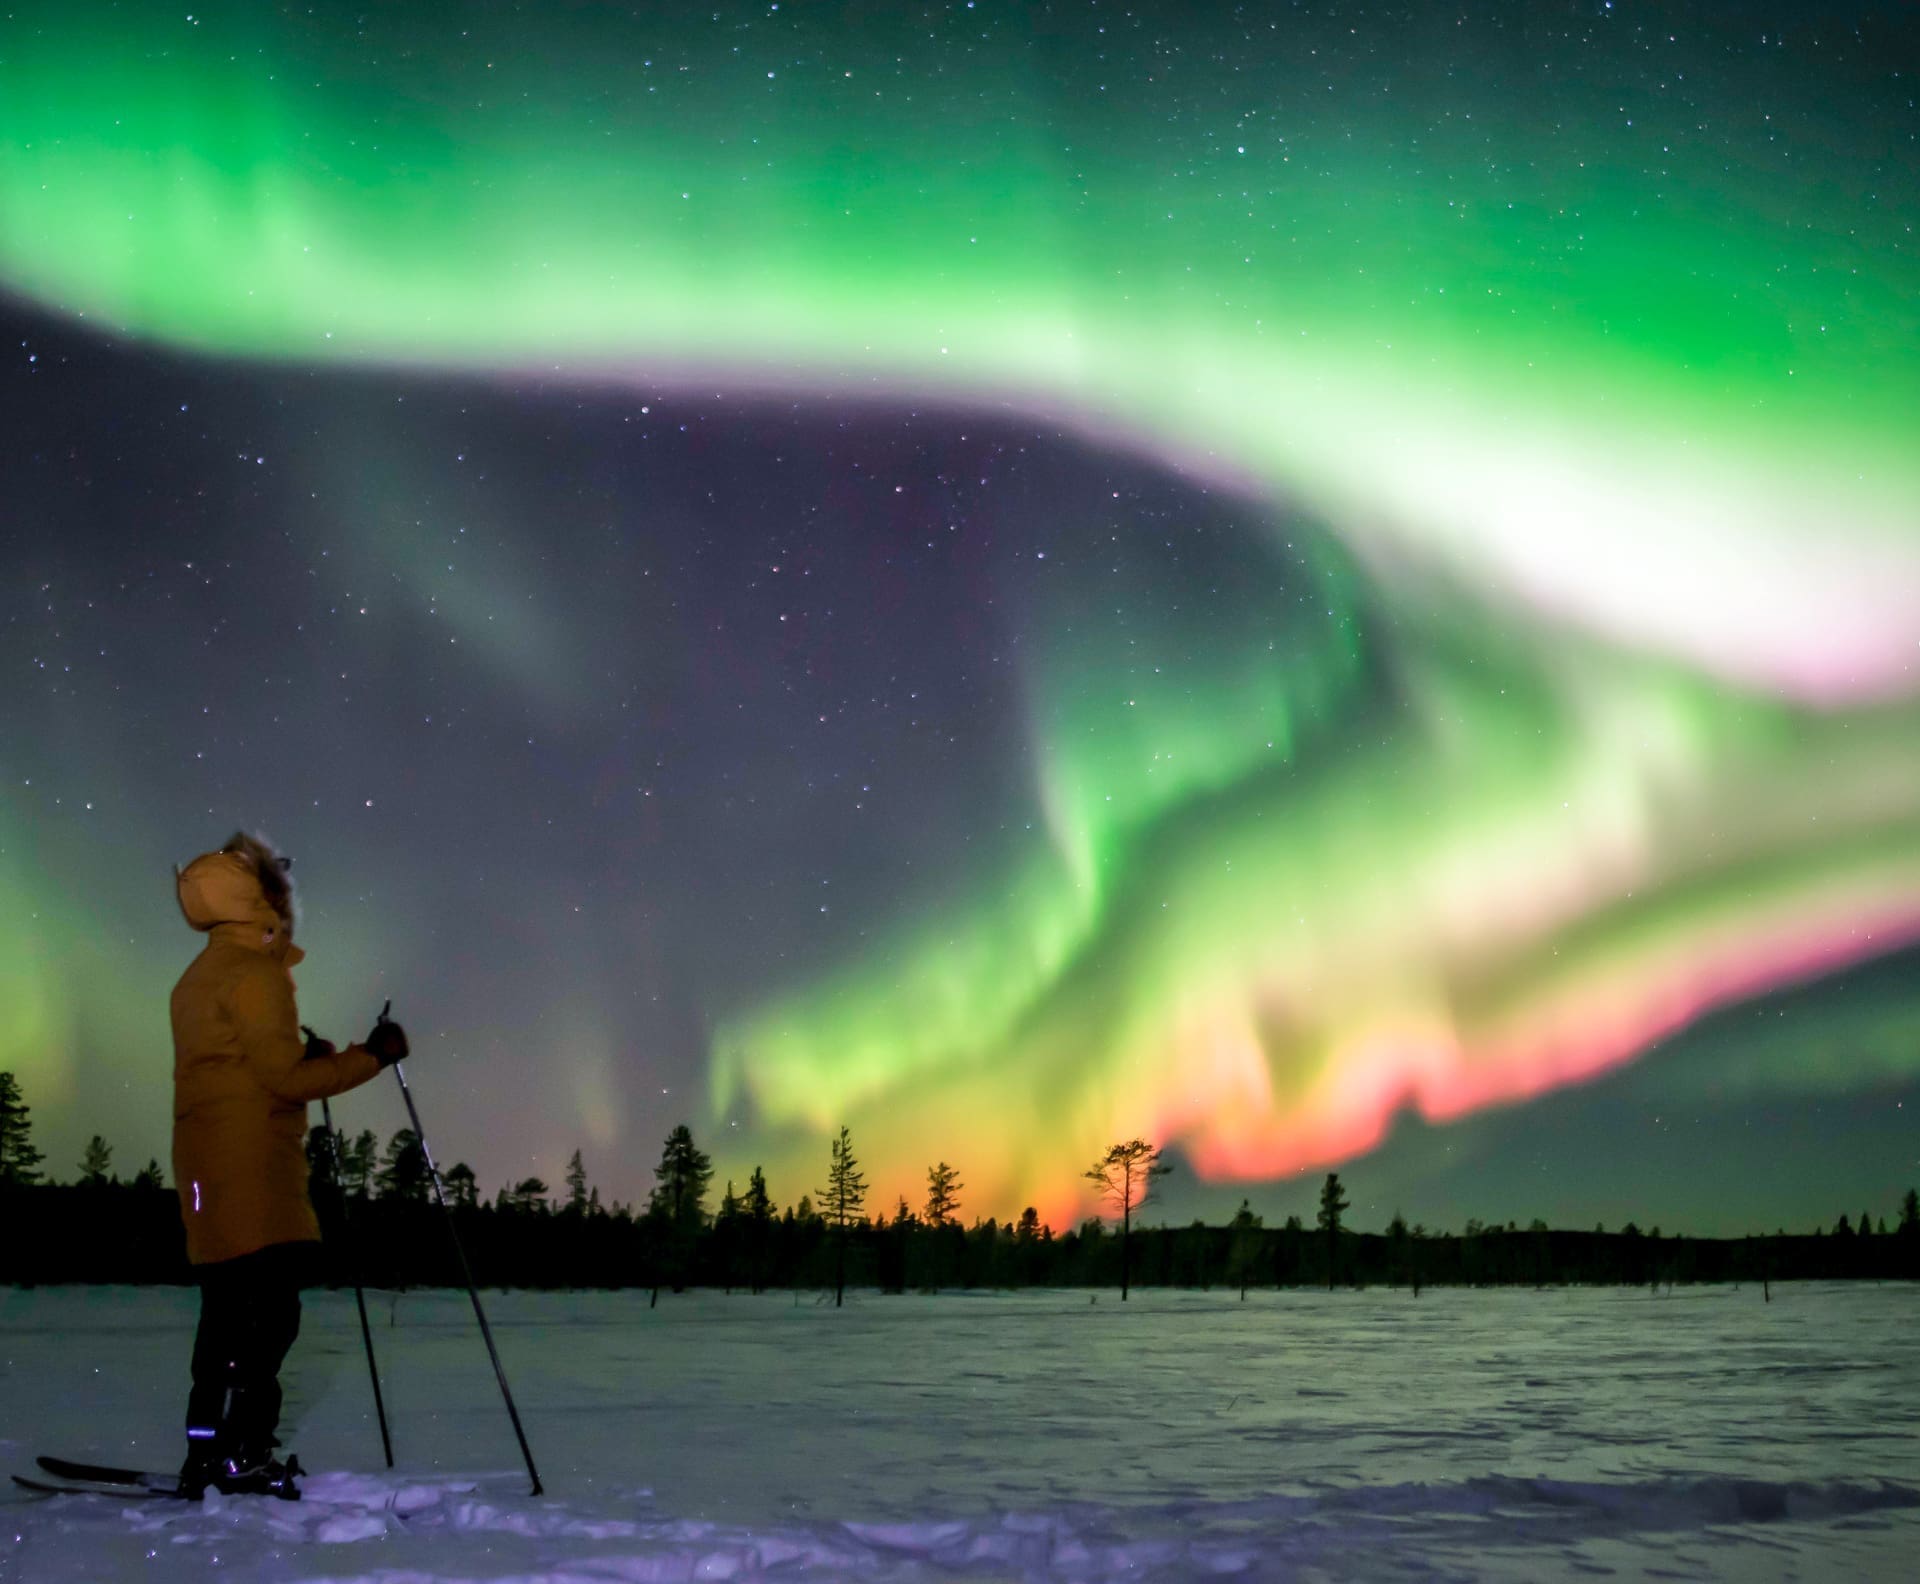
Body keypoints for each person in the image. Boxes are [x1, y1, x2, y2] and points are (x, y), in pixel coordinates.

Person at [170, 832, 408, 1499]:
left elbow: (237, 1070)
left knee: (225, 1323)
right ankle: (238, 1456)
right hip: (253, 1179)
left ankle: (208, 1454)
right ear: (256, 899)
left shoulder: (201, 976)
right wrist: (371, 1057)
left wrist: (303, 1058)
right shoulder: (253, 974)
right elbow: (280, 1081)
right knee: (263, 1326)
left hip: (212, 1172)